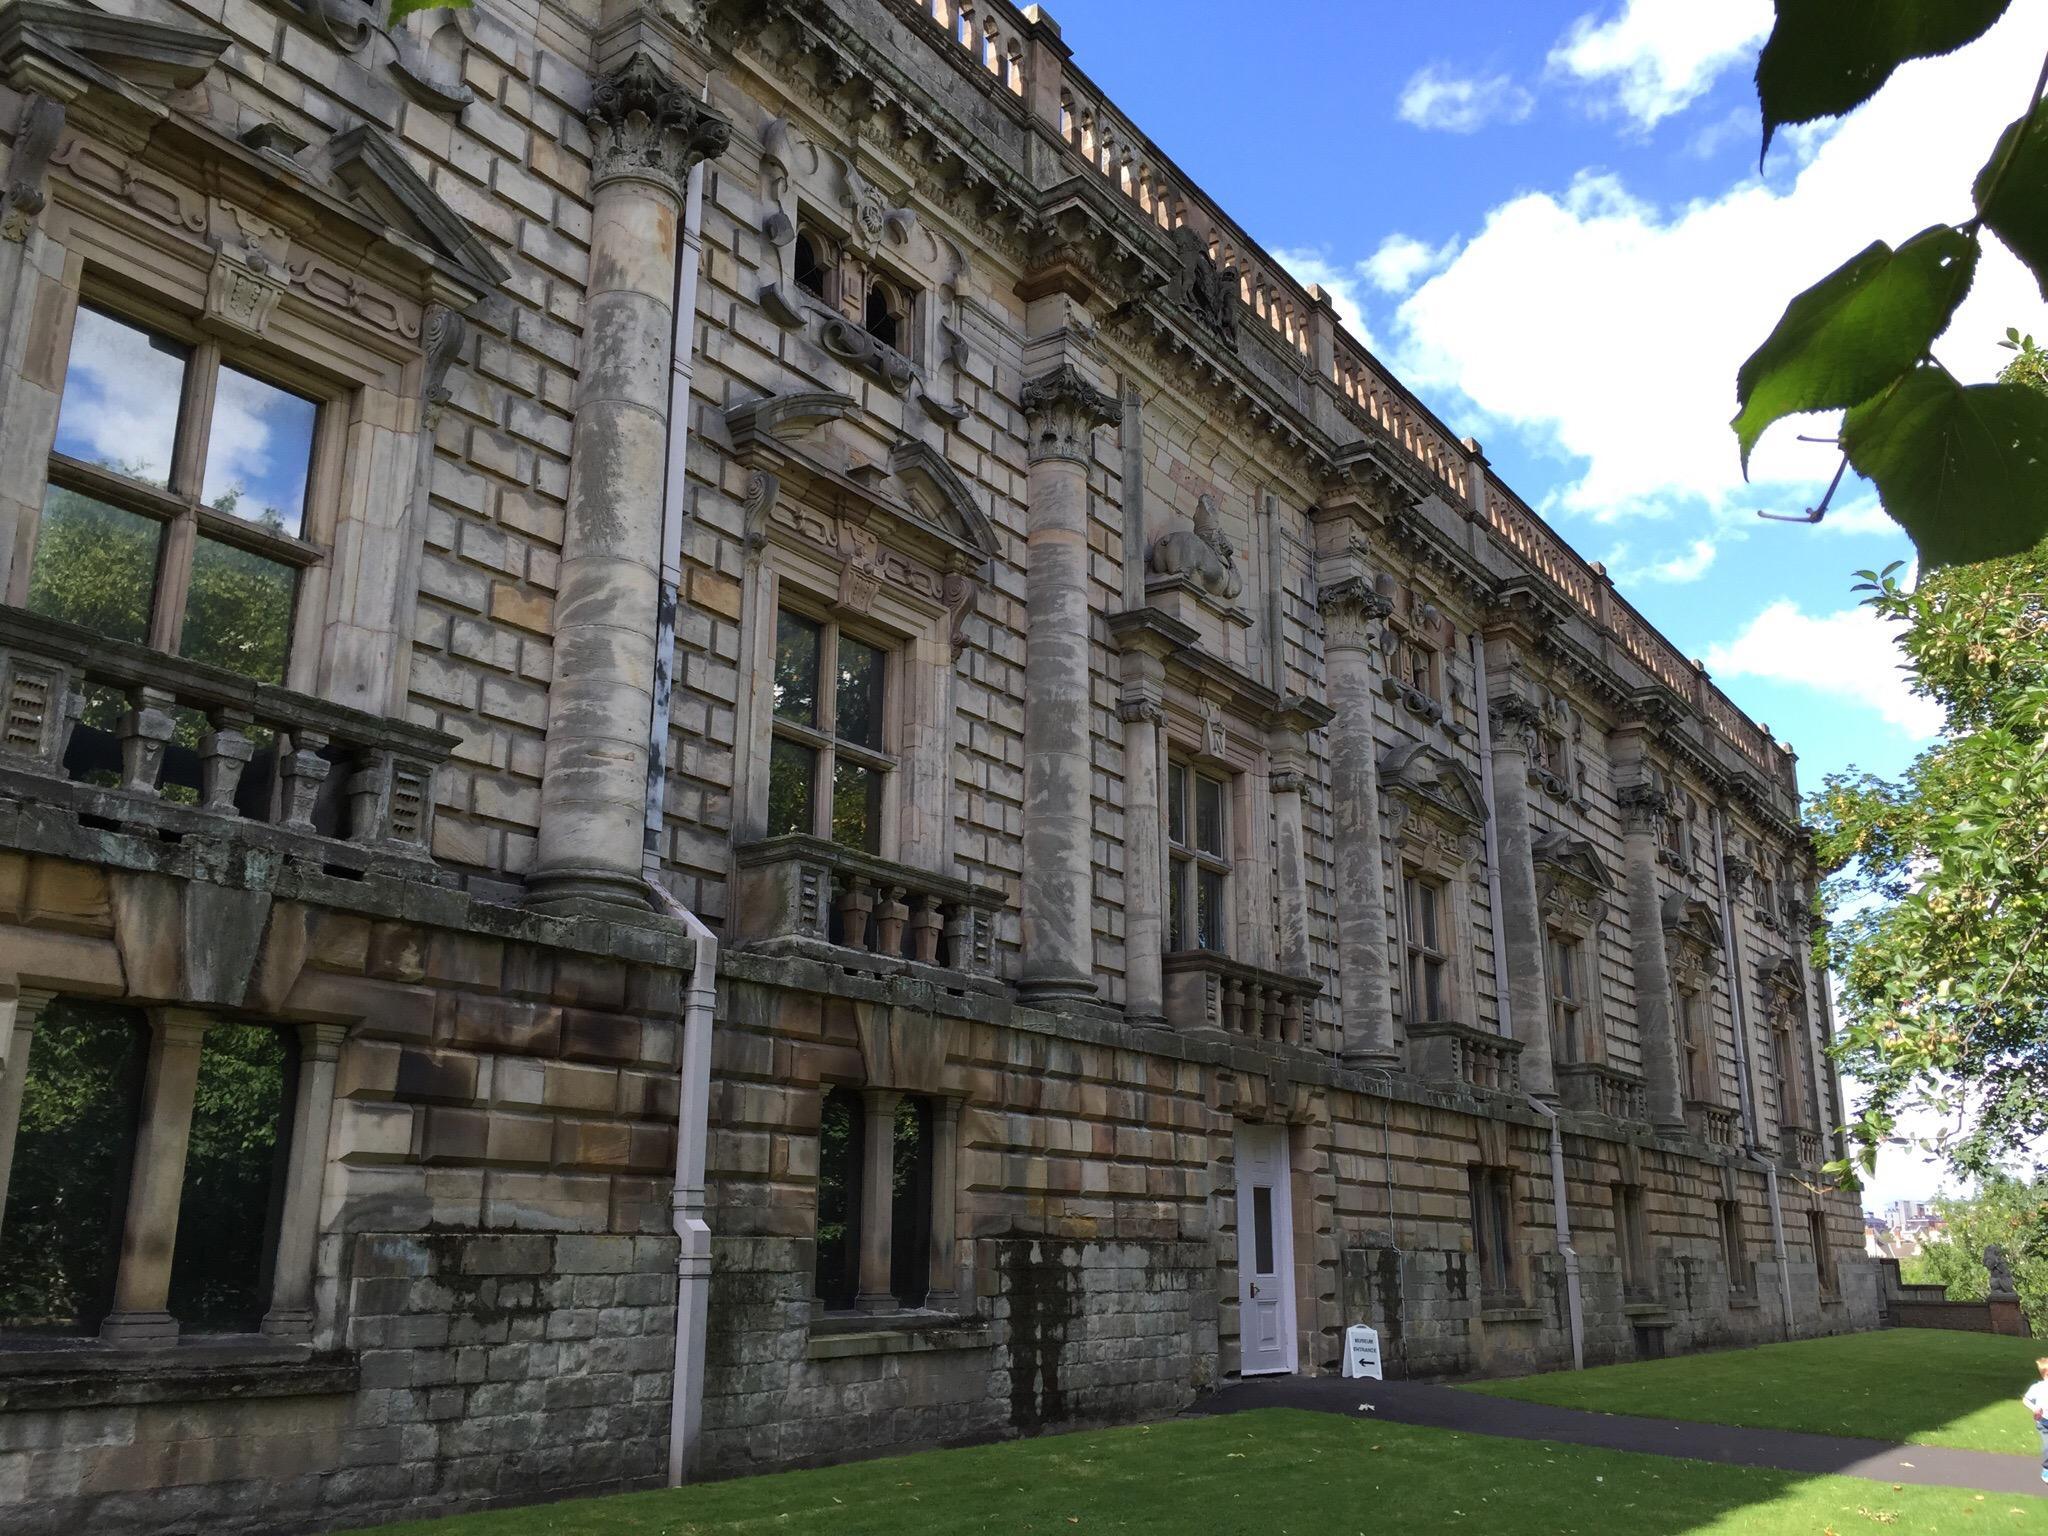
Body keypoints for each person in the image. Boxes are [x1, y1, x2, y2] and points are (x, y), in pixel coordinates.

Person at [2028, 1355, 2048, 1484]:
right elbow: (2026, 1400)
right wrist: (2035, 1408)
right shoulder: (2037, 1388)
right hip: (2044, 1422)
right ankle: (2047, 1469)